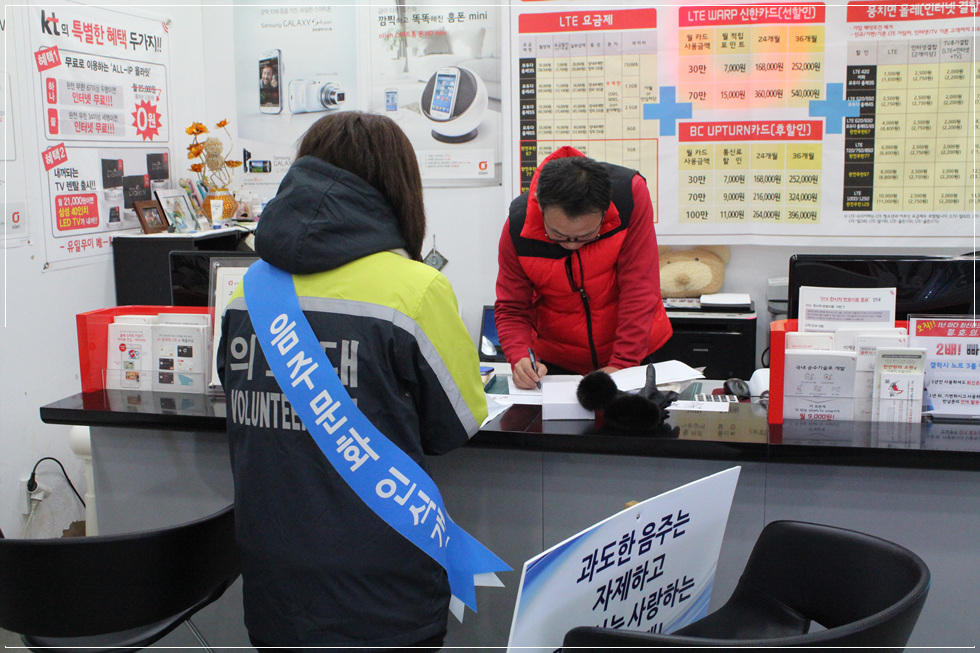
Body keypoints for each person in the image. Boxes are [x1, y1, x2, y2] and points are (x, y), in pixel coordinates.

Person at [217, 111, 488, 651]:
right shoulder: (416, 289)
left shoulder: (248, 289)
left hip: (274, 590)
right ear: (399, 186)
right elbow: (452, 428)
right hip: (384, 594)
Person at [495, 147, 673, 389]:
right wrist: (519, 356)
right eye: (558, 235)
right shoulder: (518, 226)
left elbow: (639, 287)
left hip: (637, 351)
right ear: (541, 207)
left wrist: (622, 363)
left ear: (604, 211)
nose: (572, 245)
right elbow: (512, 307)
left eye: (587, 235)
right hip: (557, 362)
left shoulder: (629, 196)